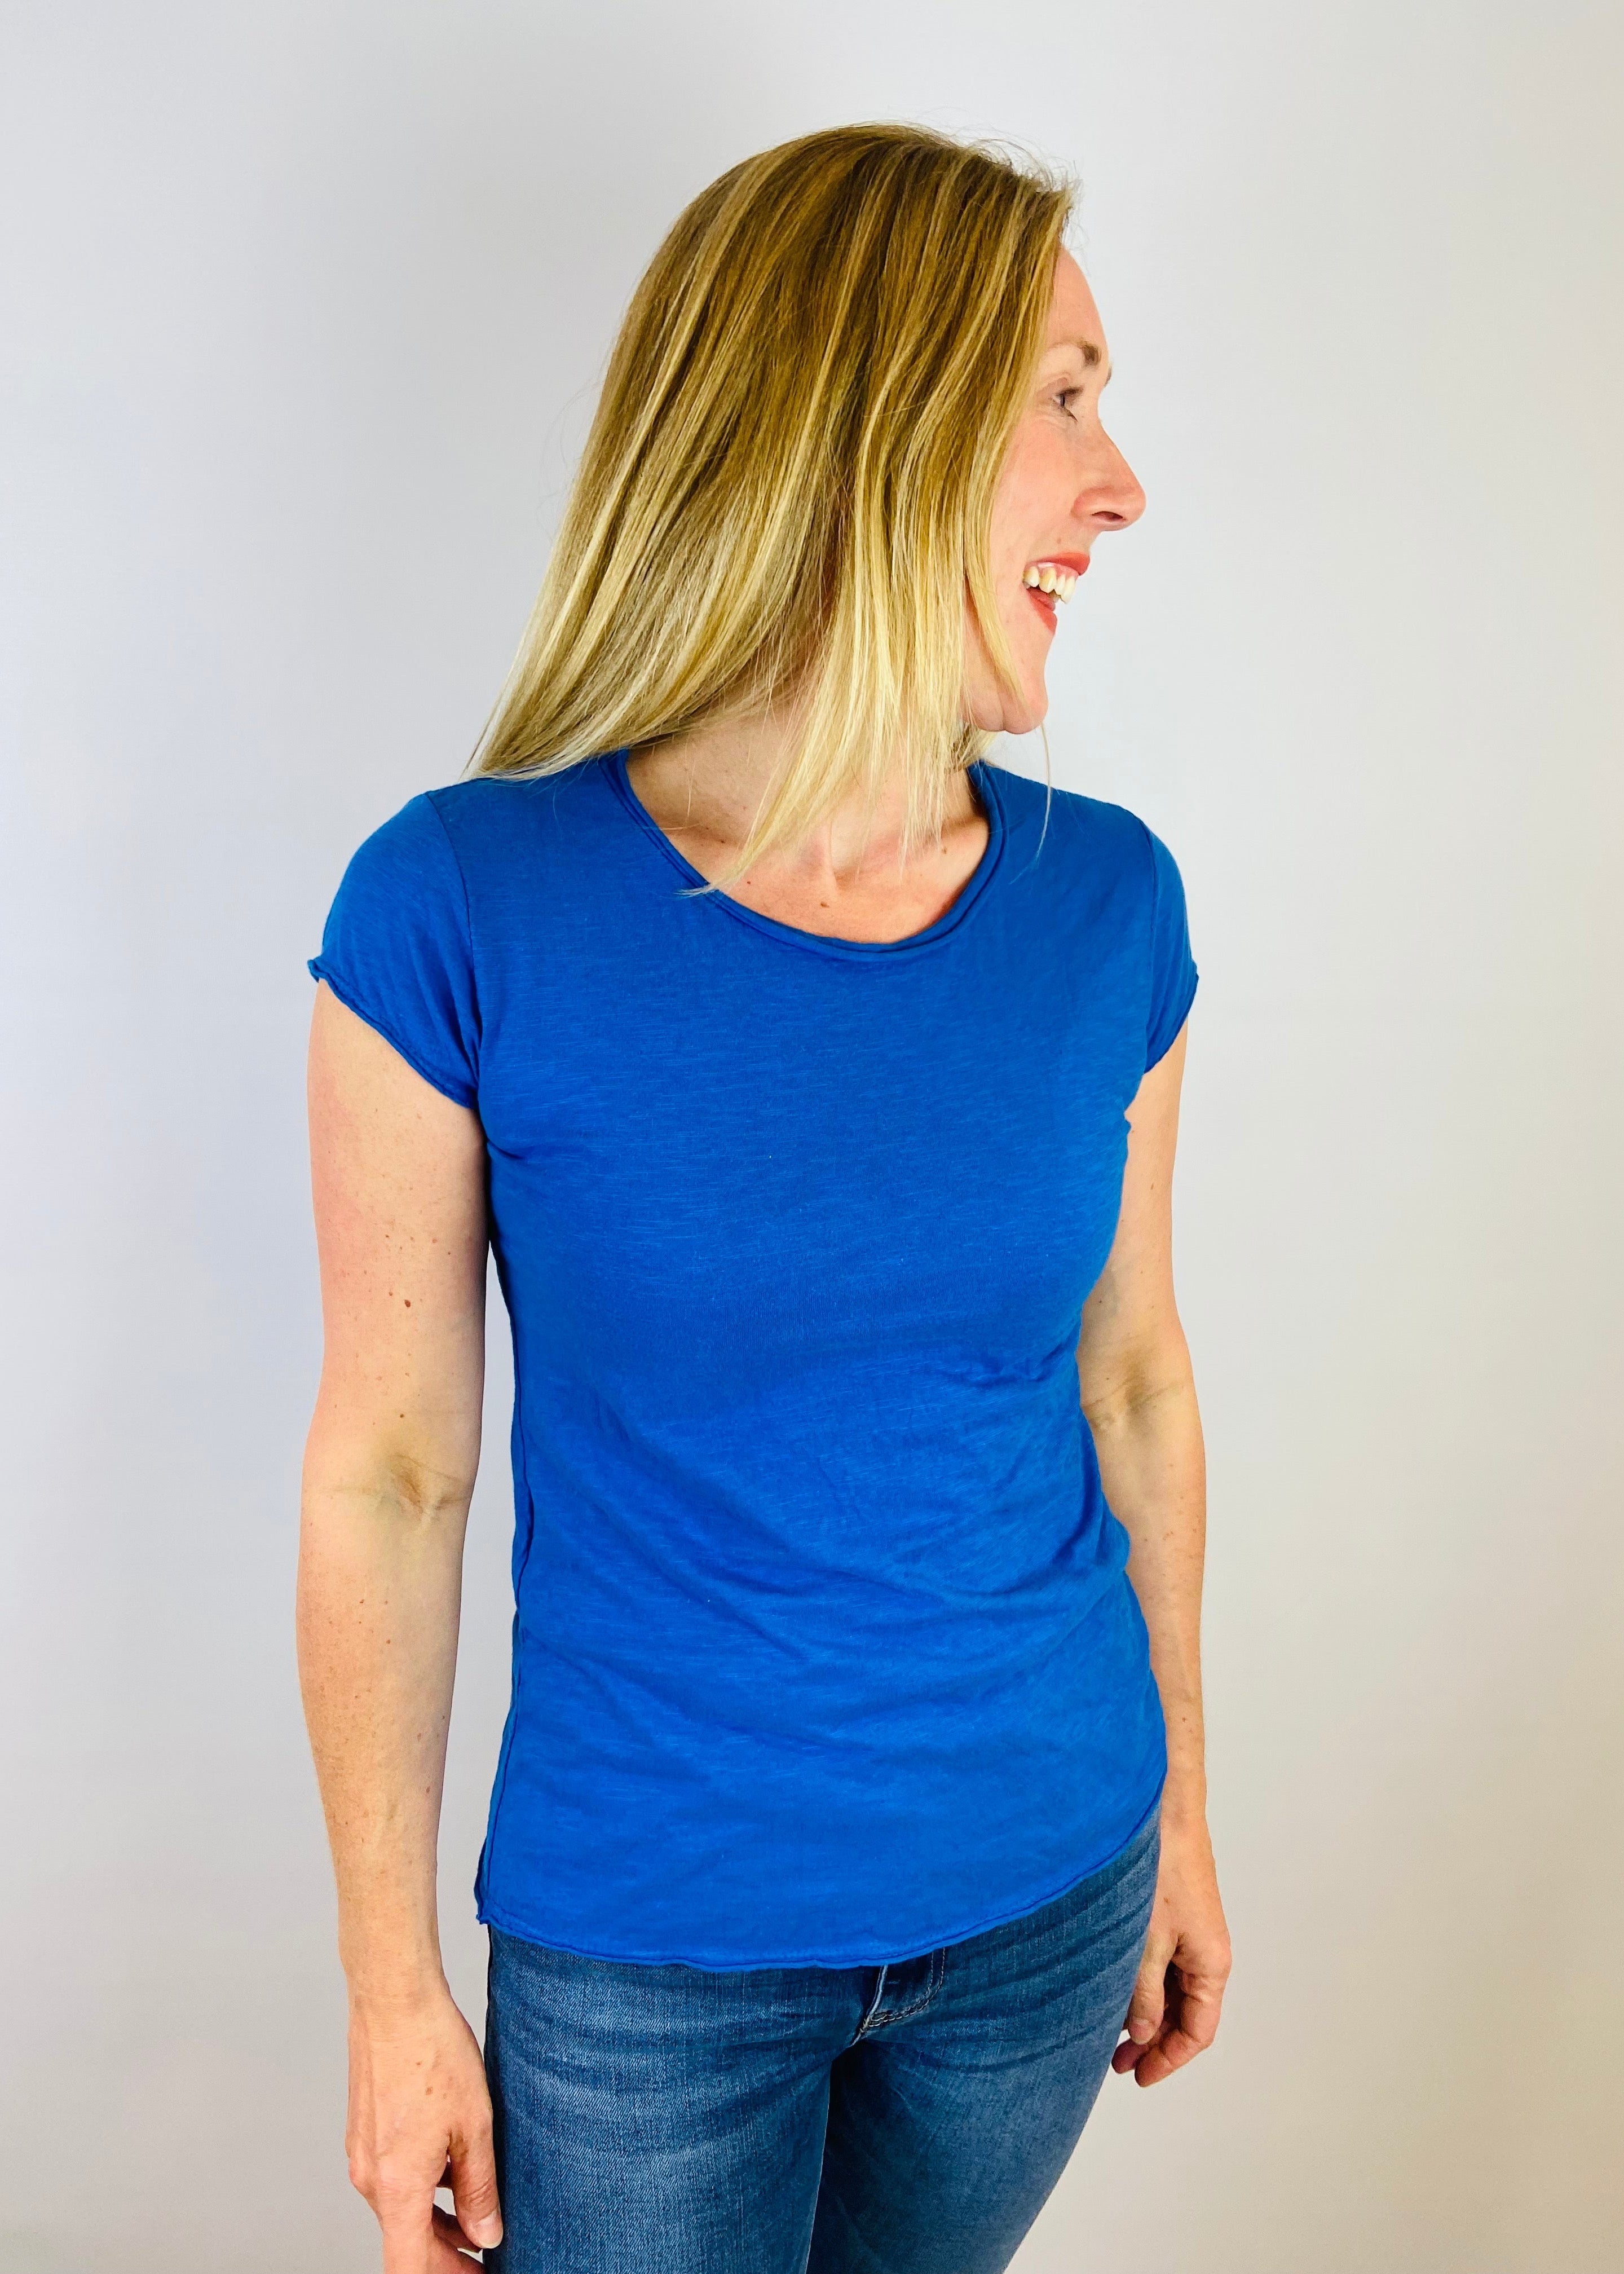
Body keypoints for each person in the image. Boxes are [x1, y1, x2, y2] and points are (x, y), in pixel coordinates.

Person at [297, 121, 1231, 2274]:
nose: (1122, 483)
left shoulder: (1112, 911)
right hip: (651, 1970)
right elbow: (392, 1473)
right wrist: (389, 1993)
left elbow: (1140, 1384)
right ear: (866, 420)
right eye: (1068, 397)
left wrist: (1179, 1803)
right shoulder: (458, 906)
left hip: (1045, 1899)